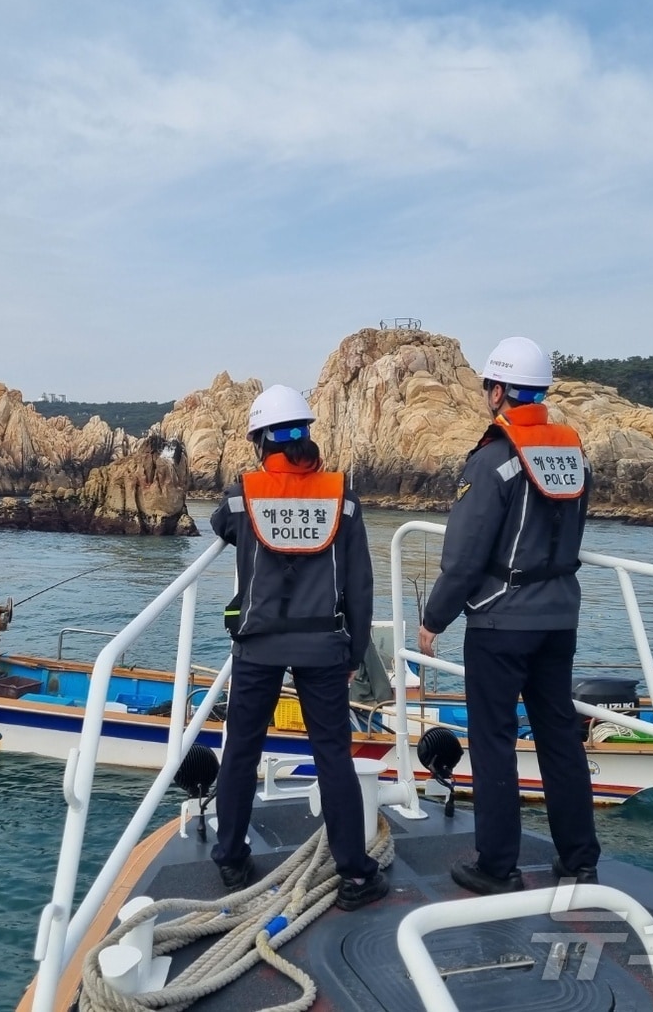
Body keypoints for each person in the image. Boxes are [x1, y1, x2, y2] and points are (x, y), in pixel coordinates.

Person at [417, 336, 601, 894]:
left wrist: (434, 619)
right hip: (559, 616)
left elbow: (465, 555)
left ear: (499, 391)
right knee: (559, 738)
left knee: (494, 739)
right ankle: (580, 858)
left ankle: (497, 865)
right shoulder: (574, 456)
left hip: (500, 621)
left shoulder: (494, 459)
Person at [210, 384, 388, 912]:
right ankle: (355, 872)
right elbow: (360, 584)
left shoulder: (243, 496)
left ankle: (230, 856)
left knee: (242, 749)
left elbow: (222, 523)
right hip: (324, 646)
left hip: (257, 645)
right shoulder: (344, 498)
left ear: (261, 442)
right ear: (307, 436)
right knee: (332, 754)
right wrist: (355, 648)